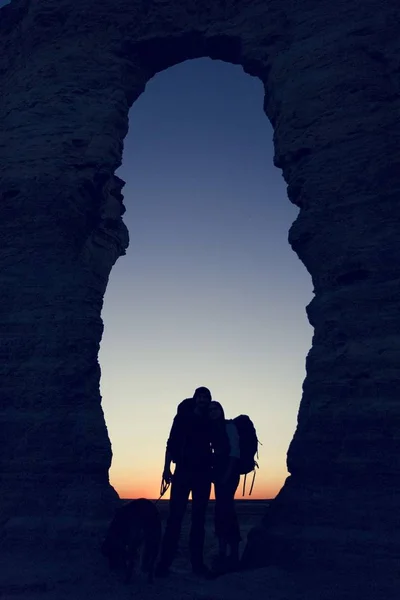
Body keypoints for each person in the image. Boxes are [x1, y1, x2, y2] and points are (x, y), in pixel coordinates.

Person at [155, 386, 214, 578]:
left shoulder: (210, 420)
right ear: (195, 398)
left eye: (206, 397)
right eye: (200, 396)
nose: (203, 399)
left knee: (199, 520)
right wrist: (166, 469)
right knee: (175, 519)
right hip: (182, 472)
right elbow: (171, 443)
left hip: (203, 474)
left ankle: (197, 565)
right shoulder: (182, 418)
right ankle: (164, 564)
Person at [209, 401, 242, 574]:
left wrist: (227, 475)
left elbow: (234, 452)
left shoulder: (229, 427)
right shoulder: (212, 429)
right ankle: (223, 553)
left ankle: (234, 554)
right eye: (211, 410)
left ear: (221, 411)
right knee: (220, 511)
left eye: (216, 409)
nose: (213, 412)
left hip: (228, 474)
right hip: (219, 475)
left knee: (226, 511)